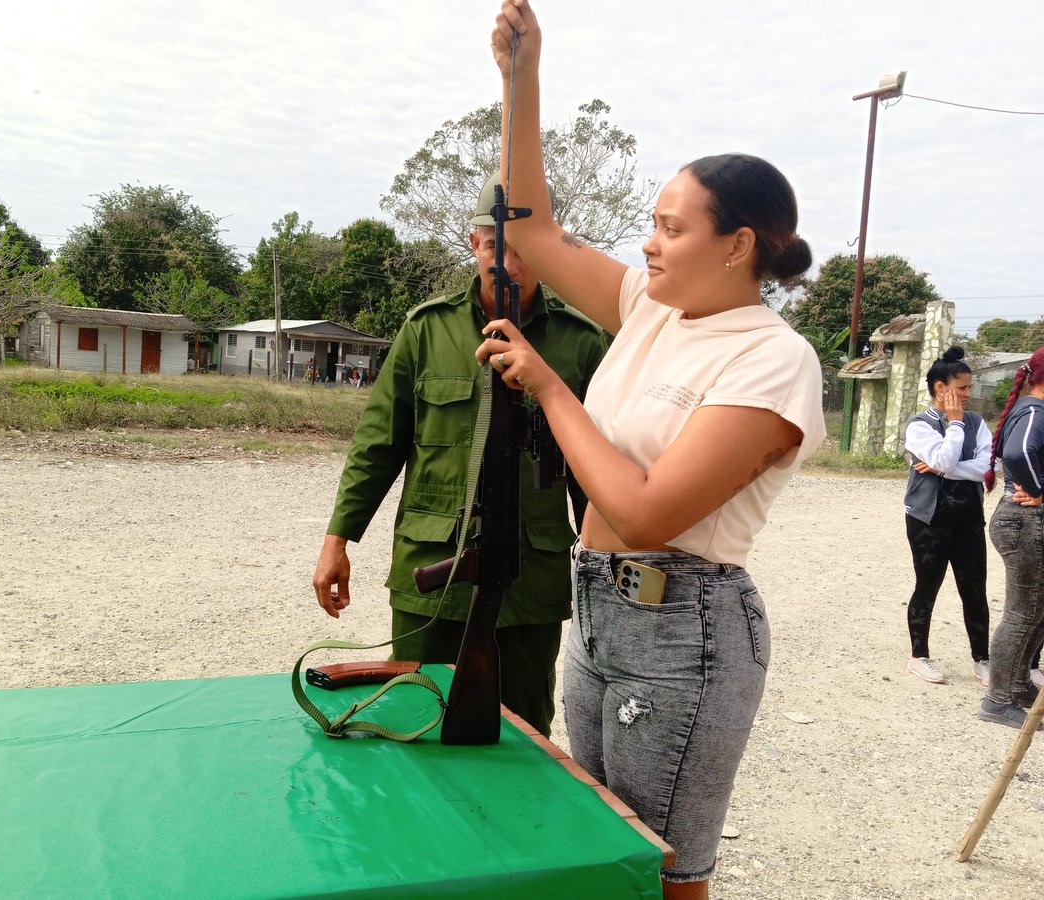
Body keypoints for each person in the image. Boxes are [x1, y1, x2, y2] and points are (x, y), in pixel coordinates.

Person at [486, 4, 826, 895]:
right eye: (653, 223)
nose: (649, 243)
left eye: (672, 228)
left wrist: (550, 386)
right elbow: (531, 232)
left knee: (667, 873)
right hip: (599, 606)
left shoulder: (773, 360)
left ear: (738, 244)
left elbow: (644, 511)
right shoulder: (653, 308)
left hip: (688, 629)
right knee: (600, 842)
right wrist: (522, 79)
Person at [311, 172, 608, 738]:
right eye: (496, 247)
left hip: (530, 585)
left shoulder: (581, 343)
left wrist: (604, 578)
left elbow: (592, 476)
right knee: (413, 722)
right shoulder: (427, 330)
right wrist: (337, 542)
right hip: (432, 574)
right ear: (475, 244)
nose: (510, 266)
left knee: (523, 736)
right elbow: (379, 444)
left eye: (525, 252)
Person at [901, 347, 992, 686]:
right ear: (941, 388)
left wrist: (945, 469)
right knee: (927, 586)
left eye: (970, 387)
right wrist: (953, 426)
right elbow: (946, 457)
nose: (969, 394)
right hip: (928, 519)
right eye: (963, 388)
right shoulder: (919, 425)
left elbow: (986, 466)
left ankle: (982, 660)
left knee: (975, 589)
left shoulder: (977, 422)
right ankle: (919, 656)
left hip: (968, 517)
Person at [976, 347, 1044, 729]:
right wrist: (1038, 489)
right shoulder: (1035, 411)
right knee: (1022, 613)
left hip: (1024, 520)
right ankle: (998, 700)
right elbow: (1019, 452)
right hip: (1025, 519)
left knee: (1037, 611)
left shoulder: (1031, 409)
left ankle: (1018, 687)